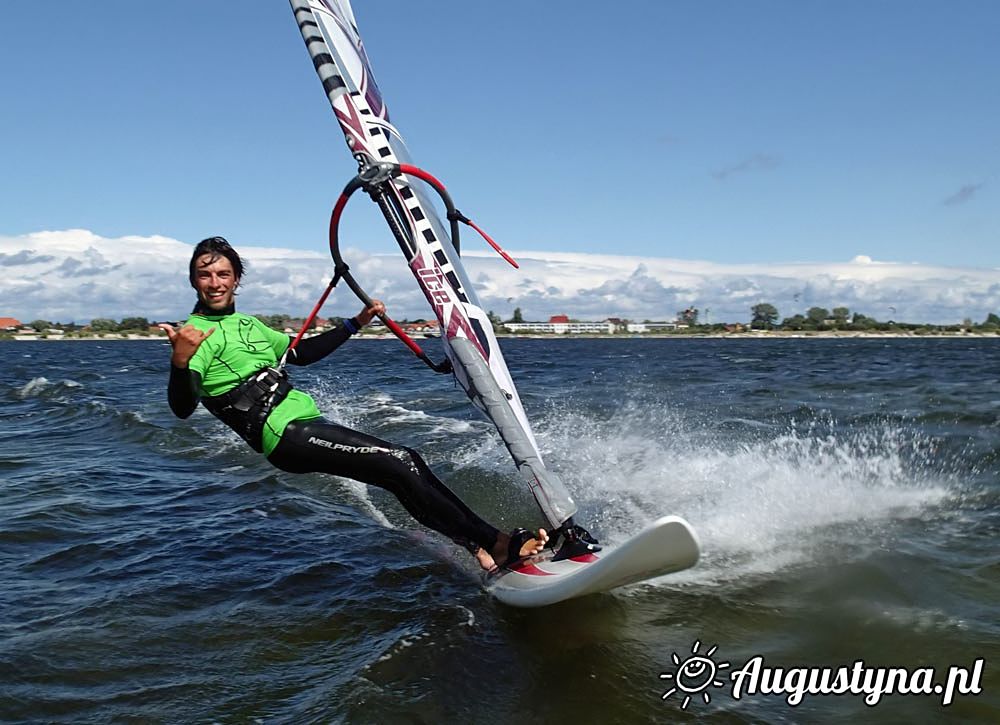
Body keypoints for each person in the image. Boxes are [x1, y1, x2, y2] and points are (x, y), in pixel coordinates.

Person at [159, 236, 547, 572]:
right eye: (205, 275)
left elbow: (301, 354)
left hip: (305, 422)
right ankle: (499, 544)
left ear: (236, 279)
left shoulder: (248, 325)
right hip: (283, 435)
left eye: (223, 274)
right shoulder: (195, 336)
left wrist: (356, 322)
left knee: (396, 476)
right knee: (401, 461)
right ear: (193, 280)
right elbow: (182, 407)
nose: (214, 283)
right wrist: (179, 361)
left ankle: (479, 548)